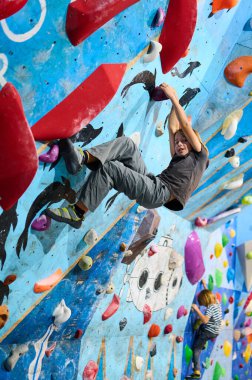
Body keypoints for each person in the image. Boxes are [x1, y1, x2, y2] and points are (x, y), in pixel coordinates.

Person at [45, 83, 209, 228]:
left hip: (159, 193)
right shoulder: (179, 155)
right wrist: (174, 99)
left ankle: (77, 212)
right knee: (127, 144)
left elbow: (185, 125)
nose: (179, 144)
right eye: (178, 141)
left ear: (194, 141)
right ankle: (83, 159)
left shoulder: (200, 155)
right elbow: (173, 128)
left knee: (111, 169)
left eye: (184, 141)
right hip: (153, 182)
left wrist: (173, 97)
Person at [187, 279, 222, 379]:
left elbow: (206, 320)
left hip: (208, 332)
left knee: (196, 349)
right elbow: (209, 294)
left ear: (205, 301)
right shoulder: (216, 302)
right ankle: (202, 343)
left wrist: (197, 309)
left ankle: (197, 371)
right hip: (215, 331)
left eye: (202, 303)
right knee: (201, 325)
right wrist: (204, 285)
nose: (203, 305)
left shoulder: (210, 308)